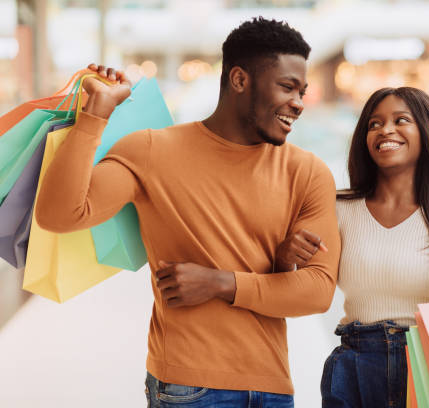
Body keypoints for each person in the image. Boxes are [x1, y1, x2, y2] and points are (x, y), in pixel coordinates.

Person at [35, 17, 340, 408]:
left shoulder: (308, 172)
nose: (298, 103)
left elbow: (317, 292)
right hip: (187, 387)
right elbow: (60, 215)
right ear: (240, 79)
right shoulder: (150, 150)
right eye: (287, 87)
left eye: (302, 90)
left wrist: (221, 283)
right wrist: (94, 116)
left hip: (273, 385)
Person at [274, 86, 429, 407]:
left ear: (428, 132)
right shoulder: (338, 207)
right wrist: (285, 258)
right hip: (353, 368)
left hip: (426, 367)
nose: (385, 130)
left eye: (400, 120)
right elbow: (304, 290)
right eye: (373, 124)